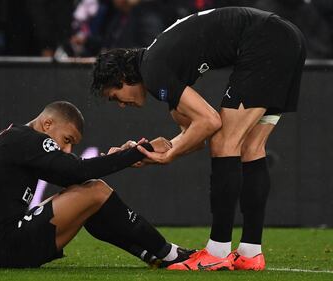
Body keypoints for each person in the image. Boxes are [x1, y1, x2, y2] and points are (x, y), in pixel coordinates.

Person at [91, 7, 306, 271]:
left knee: (225, 141)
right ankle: (250, 252)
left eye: (114, 96)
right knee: (251, 147)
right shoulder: (157, 65)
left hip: (265, 42)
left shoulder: (153, 69)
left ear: (122, 78)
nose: (121, 105)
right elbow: (195, 136)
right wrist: (143, 153)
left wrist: (167, 154)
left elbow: (210, 122)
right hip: (286, 38)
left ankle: (217, 251)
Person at [0, 101, 194, 268]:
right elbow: (79, 170)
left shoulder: (14, 138)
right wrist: (140, 151)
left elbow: (75, 177)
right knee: (95, 190)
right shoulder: (26, 139)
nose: (67, 149)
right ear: (47, 124)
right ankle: (167, 252)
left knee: (86, 194)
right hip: (4, 248)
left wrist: (122, 154)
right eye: (67, 140)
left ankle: (151, 254)